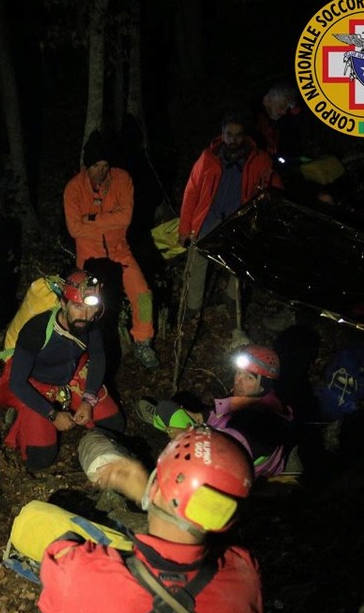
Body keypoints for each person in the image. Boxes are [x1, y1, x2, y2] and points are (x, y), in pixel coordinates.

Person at [16, 427, 263, 613]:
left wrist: (147, 494)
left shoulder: (83, 573)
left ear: (155, 488)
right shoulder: (245, 580)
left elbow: (59, 553)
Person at [0, 270, 125, 472]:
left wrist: (88, 400)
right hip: (37, 385)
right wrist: (52, 415)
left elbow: (97, 357)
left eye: (90, 309)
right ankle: (22, 413)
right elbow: (17, 382)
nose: (85, 316)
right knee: (40, 458)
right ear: (63, 304)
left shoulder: (90, 324)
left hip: (71, 376)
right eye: (78, 307)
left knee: (114, 424)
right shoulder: (36, 330)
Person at [64, 130, 159, 370]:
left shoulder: (122, 179)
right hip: (90, 256)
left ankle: (142, 341)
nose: (101, 171)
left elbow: (125, 218)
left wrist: (91, 219)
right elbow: (74, 229)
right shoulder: (74, 188)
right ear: (88, 165)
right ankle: (85, 349)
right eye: (96, 165)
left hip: (120, 251)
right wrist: (108, 218)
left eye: (105, 165)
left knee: (143, 294)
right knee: (91, 303)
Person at [137, 344, 295, 481]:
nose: (238, 380)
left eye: (248, 377)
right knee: (173, 406)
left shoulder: (259, 422)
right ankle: (162, 419)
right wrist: (200, 417)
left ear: (263, 385)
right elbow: (219, 412)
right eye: (238, 372)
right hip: (222, 442)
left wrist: (185, 436)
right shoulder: (254, 397)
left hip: (229, 472)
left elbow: (222, 456)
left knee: (167, 413)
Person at [177, 113, 281, 320]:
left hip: (238, 216)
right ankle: (193, 305)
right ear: (222, 134)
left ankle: (233, 298)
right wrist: (184, 228)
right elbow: (191, 192)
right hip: (209, 216)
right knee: (197, 258)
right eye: (229, 134)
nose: (233, 139)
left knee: (239, 260)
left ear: (244, 136)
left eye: (238, 135)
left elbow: (275, 186)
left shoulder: (258, 159)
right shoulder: (208, 158)